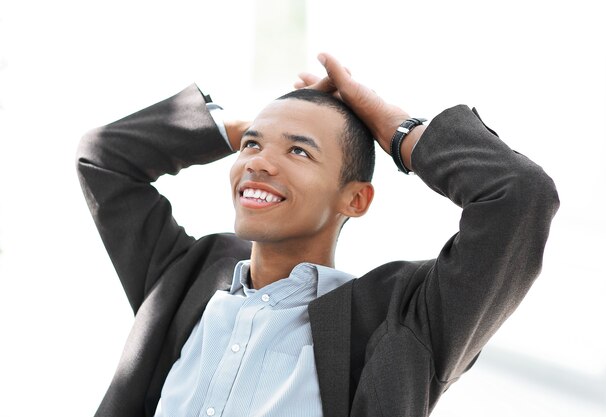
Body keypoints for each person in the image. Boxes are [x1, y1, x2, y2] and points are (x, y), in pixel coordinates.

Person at [76, 53, 559, 417]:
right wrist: (266, 122)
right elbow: (104, 159)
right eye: (251, 146)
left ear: (356, 200)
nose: (259, 162)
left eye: (300, 153)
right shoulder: (185, 279)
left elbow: (520, 197)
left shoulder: (399, 322)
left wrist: (392, 127)